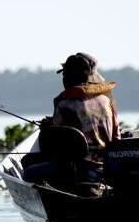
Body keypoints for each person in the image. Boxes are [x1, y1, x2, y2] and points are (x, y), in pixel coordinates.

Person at [23, 52, 121, 184]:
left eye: (65, 75)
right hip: (105, 169)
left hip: (75, 170)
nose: (63, 79)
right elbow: (117, 139)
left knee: (28, 171)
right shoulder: (106, 101)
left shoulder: (64, 104)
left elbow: (52, 148)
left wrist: (48, 129)